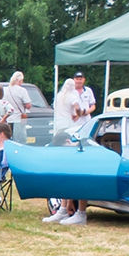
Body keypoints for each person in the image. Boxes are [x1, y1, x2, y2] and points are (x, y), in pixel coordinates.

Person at [42, 78, 87, 224]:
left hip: (58, 129)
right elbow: (77, 108)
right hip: (70, 129)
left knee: (64, 169)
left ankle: (65, 208)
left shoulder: (59, 96)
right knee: (67, 169)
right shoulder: (73, 95)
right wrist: (79, 114)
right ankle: (65, 208)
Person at [2, 71, 31, 136]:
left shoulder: (5, 90)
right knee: (20, 139)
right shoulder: (22, 90)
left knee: (8, 138)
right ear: (19, 80)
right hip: (19, 119)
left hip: (7, 119)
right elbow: (28, 105)